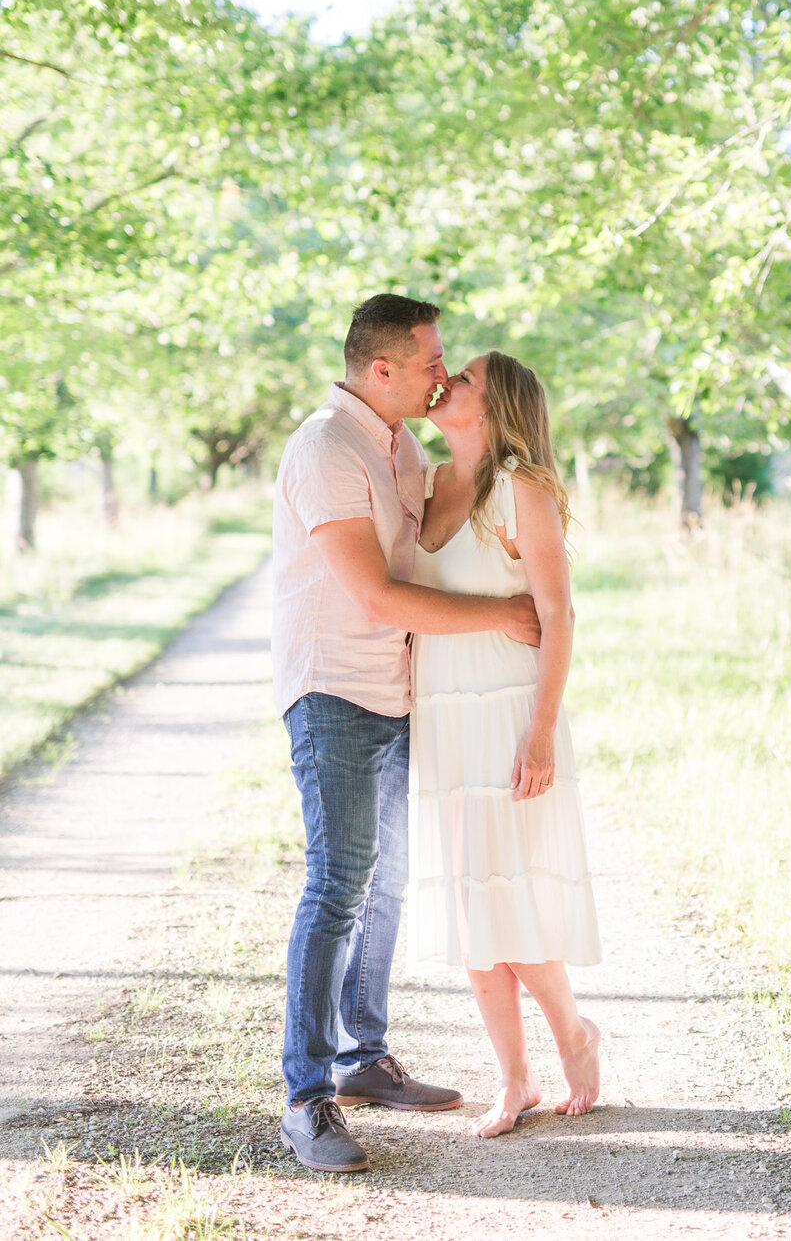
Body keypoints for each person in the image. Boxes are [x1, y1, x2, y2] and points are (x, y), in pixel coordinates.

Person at [271, 296, 541, 1174]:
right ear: (380, 369)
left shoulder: (400, 445)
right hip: (334, 689)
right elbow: (378, 597)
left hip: (397, 690)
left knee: (386, 886)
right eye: (430, 359)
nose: (442, 370)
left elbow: (440, 530)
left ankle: (364, 1060)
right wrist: (504, 613)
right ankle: (306, 1096)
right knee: (340, 882)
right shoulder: (325, 447)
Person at [409, 350, 601, 1137]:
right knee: (465, 899)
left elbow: (557, 615)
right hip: (441, 713)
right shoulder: (423, 482)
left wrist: (542, 732)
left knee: (506, 894)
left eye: (465, 378)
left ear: (492, 408)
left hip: (508, 709)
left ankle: (575, 1037)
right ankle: (513, 1079)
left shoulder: (521, 488)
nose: (445, 379)